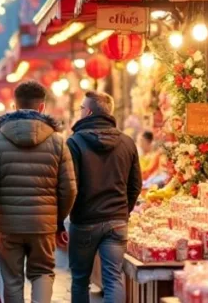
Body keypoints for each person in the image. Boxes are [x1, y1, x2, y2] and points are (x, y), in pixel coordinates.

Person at [0, 80, 76, 303]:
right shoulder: (58, 142)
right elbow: (69, 188)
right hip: (43, 224)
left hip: (8, 224)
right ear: (42, 107)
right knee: (43, 272)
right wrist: (57, 220)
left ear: (14, 105)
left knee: (12, 279)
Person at [67, 91, 142, 303]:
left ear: (88, 112)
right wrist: (123, 211)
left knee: (80, 280)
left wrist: (70, 214)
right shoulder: (127, 142)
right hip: (117, 221)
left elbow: (70, 187)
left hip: (84, 222)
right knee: (113, 278)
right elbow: (136, 184)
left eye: (81, 108)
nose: (79, 112)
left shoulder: (75, 143)